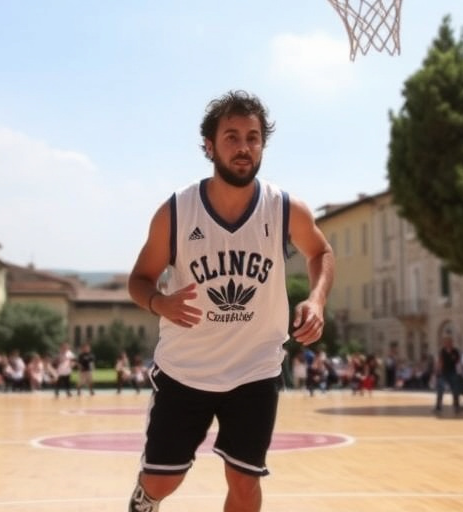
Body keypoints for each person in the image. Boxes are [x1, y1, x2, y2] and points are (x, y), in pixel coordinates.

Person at [125, 90, 334, 512]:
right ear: (209, 146)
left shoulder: (284, 208)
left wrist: (316, 300)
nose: (244, 147)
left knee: (244, 480)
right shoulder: (178, 212)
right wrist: (159, 303)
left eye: (253, 138)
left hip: (255, 367)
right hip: (187, 367)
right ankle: (145, 498)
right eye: (232, 137)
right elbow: (139, 279)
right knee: (164, 479)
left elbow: (321, 252)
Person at [434, 336, 462, 413]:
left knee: (455, 389)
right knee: (440, 389)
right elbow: (440, 361)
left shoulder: (455, 351)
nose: (448, 344)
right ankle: (438, 406)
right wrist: (438, 371)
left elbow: (458, 361)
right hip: (443, 372)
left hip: (453, 372)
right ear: (444, 343)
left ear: (452, 343)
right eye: (446, 342)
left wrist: (459, 372)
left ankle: (456, 405)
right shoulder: (442, 351)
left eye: (450, 342)